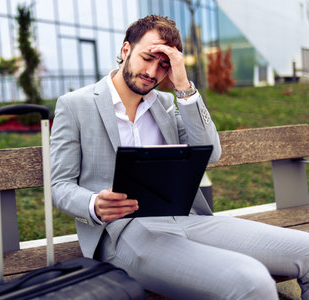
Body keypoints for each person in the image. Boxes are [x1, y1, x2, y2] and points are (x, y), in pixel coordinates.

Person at [50, 15, 309, 299]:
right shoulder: (75, 105)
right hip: (123, 233)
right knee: (252, 281)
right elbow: (60, 185)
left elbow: (211, 151)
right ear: (126, 50)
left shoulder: (165, 102)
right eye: (147, 58)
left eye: (164, 65)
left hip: (187, 219)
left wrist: (183, 85)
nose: (152, 72)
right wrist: (93, 204)